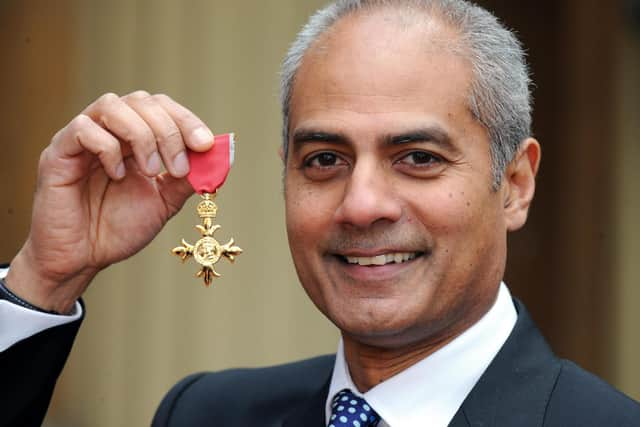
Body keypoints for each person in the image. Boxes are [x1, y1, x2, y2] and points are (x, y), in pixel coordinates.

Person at [1, 0, 639, 426]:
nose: (361, 205)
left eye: (417, 157)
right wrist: (44, 279)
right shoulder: (207, 414)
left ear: (516, 184)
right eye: (325, 160)